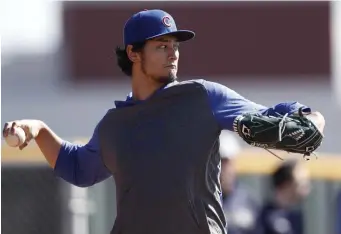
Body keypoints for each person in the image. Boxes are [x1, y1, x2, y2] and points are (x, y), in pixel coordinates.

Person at [2, 9, 325, 234]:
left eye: (174, 46)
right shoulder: (115, 124)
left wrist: (306, 114)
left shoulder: (203, 97)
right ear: (133, 53)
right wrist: (40, 130)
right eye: (161, 46)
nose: (173, 53)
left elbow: (271, 116)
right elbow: (78, 168)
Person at [219, 131, 259, 234]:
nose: (225, 168)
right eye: (221, 162)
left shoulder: (248, 200)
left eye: (228, 162)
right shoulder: (202, 201)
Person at [256, 159, 311, 234]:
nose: (306, 190)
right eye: (300, 184)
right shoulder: (264, 217)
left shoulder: (296, 216)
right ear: (285, 185)